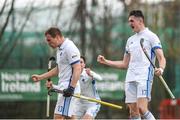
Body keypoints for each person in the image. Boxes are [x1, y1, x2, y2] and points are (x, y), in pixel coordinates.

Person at [97, 10, 166, 120]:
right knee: (133, 112)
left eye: (132, 21)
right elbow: (125, 64)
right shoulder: (130, 40)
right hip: (130, 77)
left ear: (140, 21)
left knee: (142, 109)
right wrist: (106, 61)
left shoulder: (151, 36)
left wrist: (161, 69)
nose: (130, 23)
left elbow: (161, 58)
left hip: (144, 76)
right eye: (129, 21)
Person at [31, 27, 81, 120]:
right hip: (64, 88)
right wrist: (40, 77)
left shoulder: (69, 47)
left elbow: (77, 68)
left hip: (69, 89)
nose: (48, 43)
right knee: (70, 117)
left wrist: (71, 88)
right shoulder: (60, 49)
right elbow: (58, 70)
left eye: (49, 40)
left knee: (58, 117)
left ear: (57, 36)